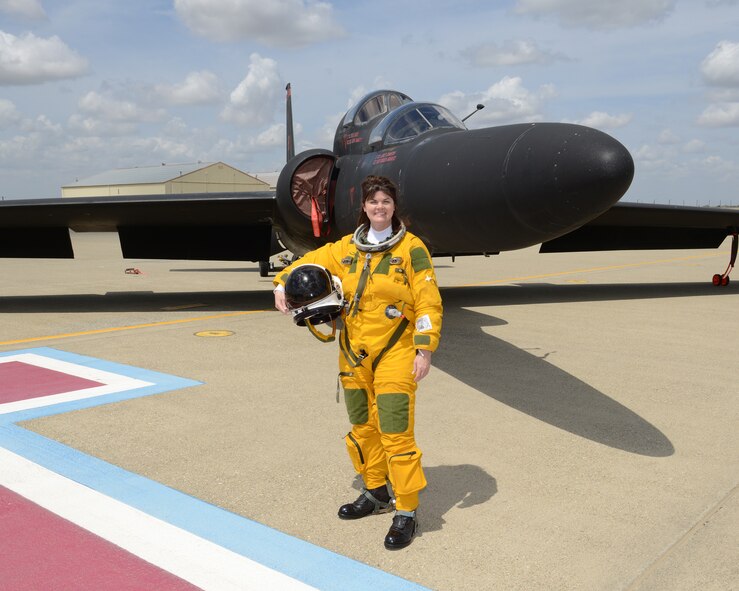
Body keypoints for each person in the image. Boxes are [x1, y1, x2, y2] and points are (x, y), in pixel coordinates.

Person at [274, 175, 442, 550]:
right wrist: (280, 285)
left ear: (394, 206)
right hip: (353, 353)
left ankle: (408, 511)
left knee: (395, 431)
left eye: (385, 201)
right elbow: (304, 263)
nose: (379, 207)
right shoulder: (347, 247)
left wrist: (424, 347)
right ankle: (375, 491)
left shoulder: (412, 249)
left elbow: (429, 300)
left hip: (395, 352)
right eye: (373, 202)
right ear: (363, 208)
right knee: (362, 427)